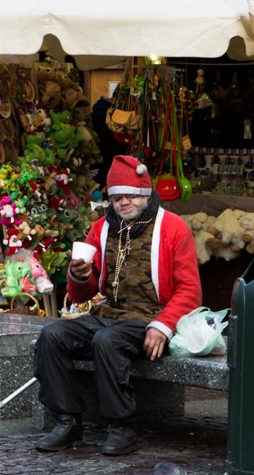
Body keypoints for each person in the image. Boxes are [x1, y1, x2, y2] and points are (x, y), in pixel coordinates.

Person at [34, 154, 202, 456]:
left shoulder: (173, 228)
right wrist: (78, 274)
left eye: (130, 196)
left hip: (150, 318)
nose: (123, 203)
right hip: (109, 314)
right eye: (116, 197)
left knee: (107, 340)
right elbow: (81, 294)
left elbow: (189, 290)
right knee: (52, 335)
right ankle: (67, 421)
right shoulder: (101, 228)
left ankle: (121, 426)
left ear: (144, 194)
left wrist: (163, 326)